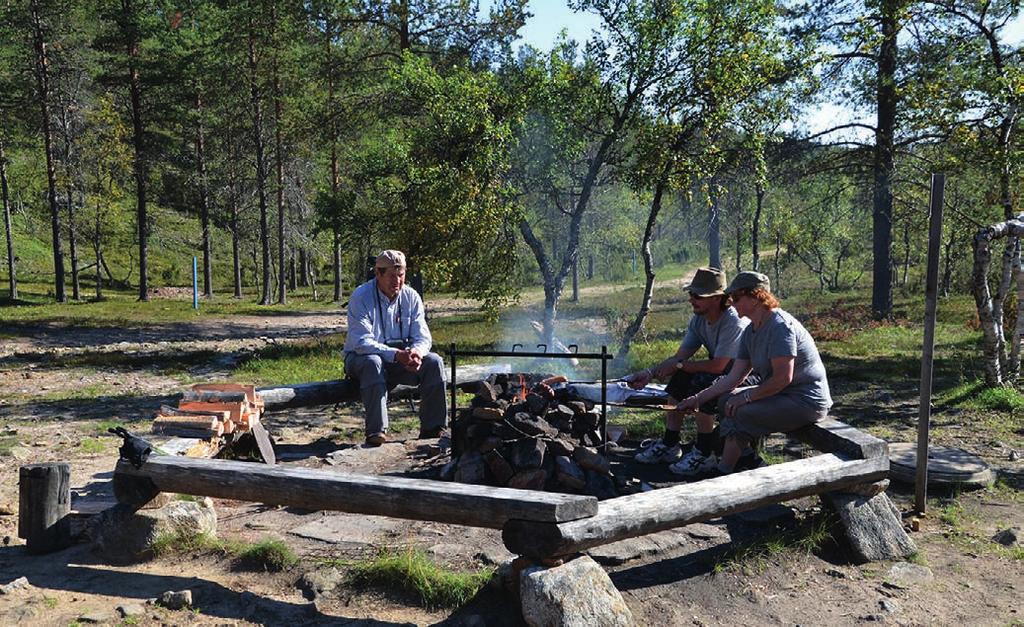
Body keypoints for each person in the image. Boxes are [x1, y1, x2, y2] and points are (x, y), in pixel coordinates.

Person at [676, 271, 832, 476]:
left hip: (805, 400)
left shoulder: (779, 326)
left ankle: (724, 471)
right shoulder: (751, 331)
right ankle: (745, 460)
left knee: (740, 411)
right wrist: (696, 399)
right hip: (780, 394)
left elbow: (783, 378)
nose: (731, 303)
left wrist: (746, 397)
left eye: (736, 298)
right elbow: (734, 377)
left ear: (757, 296)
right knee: (724, 401)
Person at [628, 267, 751, 476]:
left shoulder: (733, 321)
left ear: (716, 298)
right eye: (691, 294)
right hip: (725, 371)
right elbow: (680, 357)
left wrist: (680, 366)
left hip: (747, 376)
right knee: (681, 377)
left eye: (698, 295)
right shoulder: (699, 320)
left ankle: (704, 452)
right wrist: (650, 372)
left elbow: (719, 365)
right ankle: (670, 443)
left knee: (703, 380)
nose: (692, 300)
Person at [342, 250, 447, 446]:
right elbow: (361, 343)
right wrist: (396, 355)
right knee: (373, 362)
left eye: (401, 275)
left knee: (434, 362)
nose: (397, 281)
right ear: (378, 273)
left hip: (401, 359)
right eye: (391, 275)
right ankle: (376, 431)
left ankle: (433, 428)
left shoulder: (411, 297)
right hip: (360, 358)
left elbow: (422, 336)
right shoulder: (361, 297)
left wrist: (416, 353)